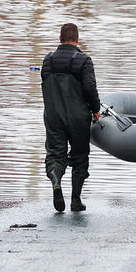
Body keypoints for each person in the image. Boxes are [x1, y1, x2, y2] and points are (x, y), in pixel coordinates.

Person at [41, 22, 100, 212]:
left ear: (60, 39)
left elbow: (46, 84)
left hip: (53, 117)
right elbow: (90, 87)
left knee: (55, 154)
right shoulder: (84, 60)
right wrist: (96, 109)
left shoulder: (48, 60)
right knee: (80, 156)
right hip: (77, 117)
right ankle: (76, 199)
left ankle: (56, 181)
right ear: (77, 39)